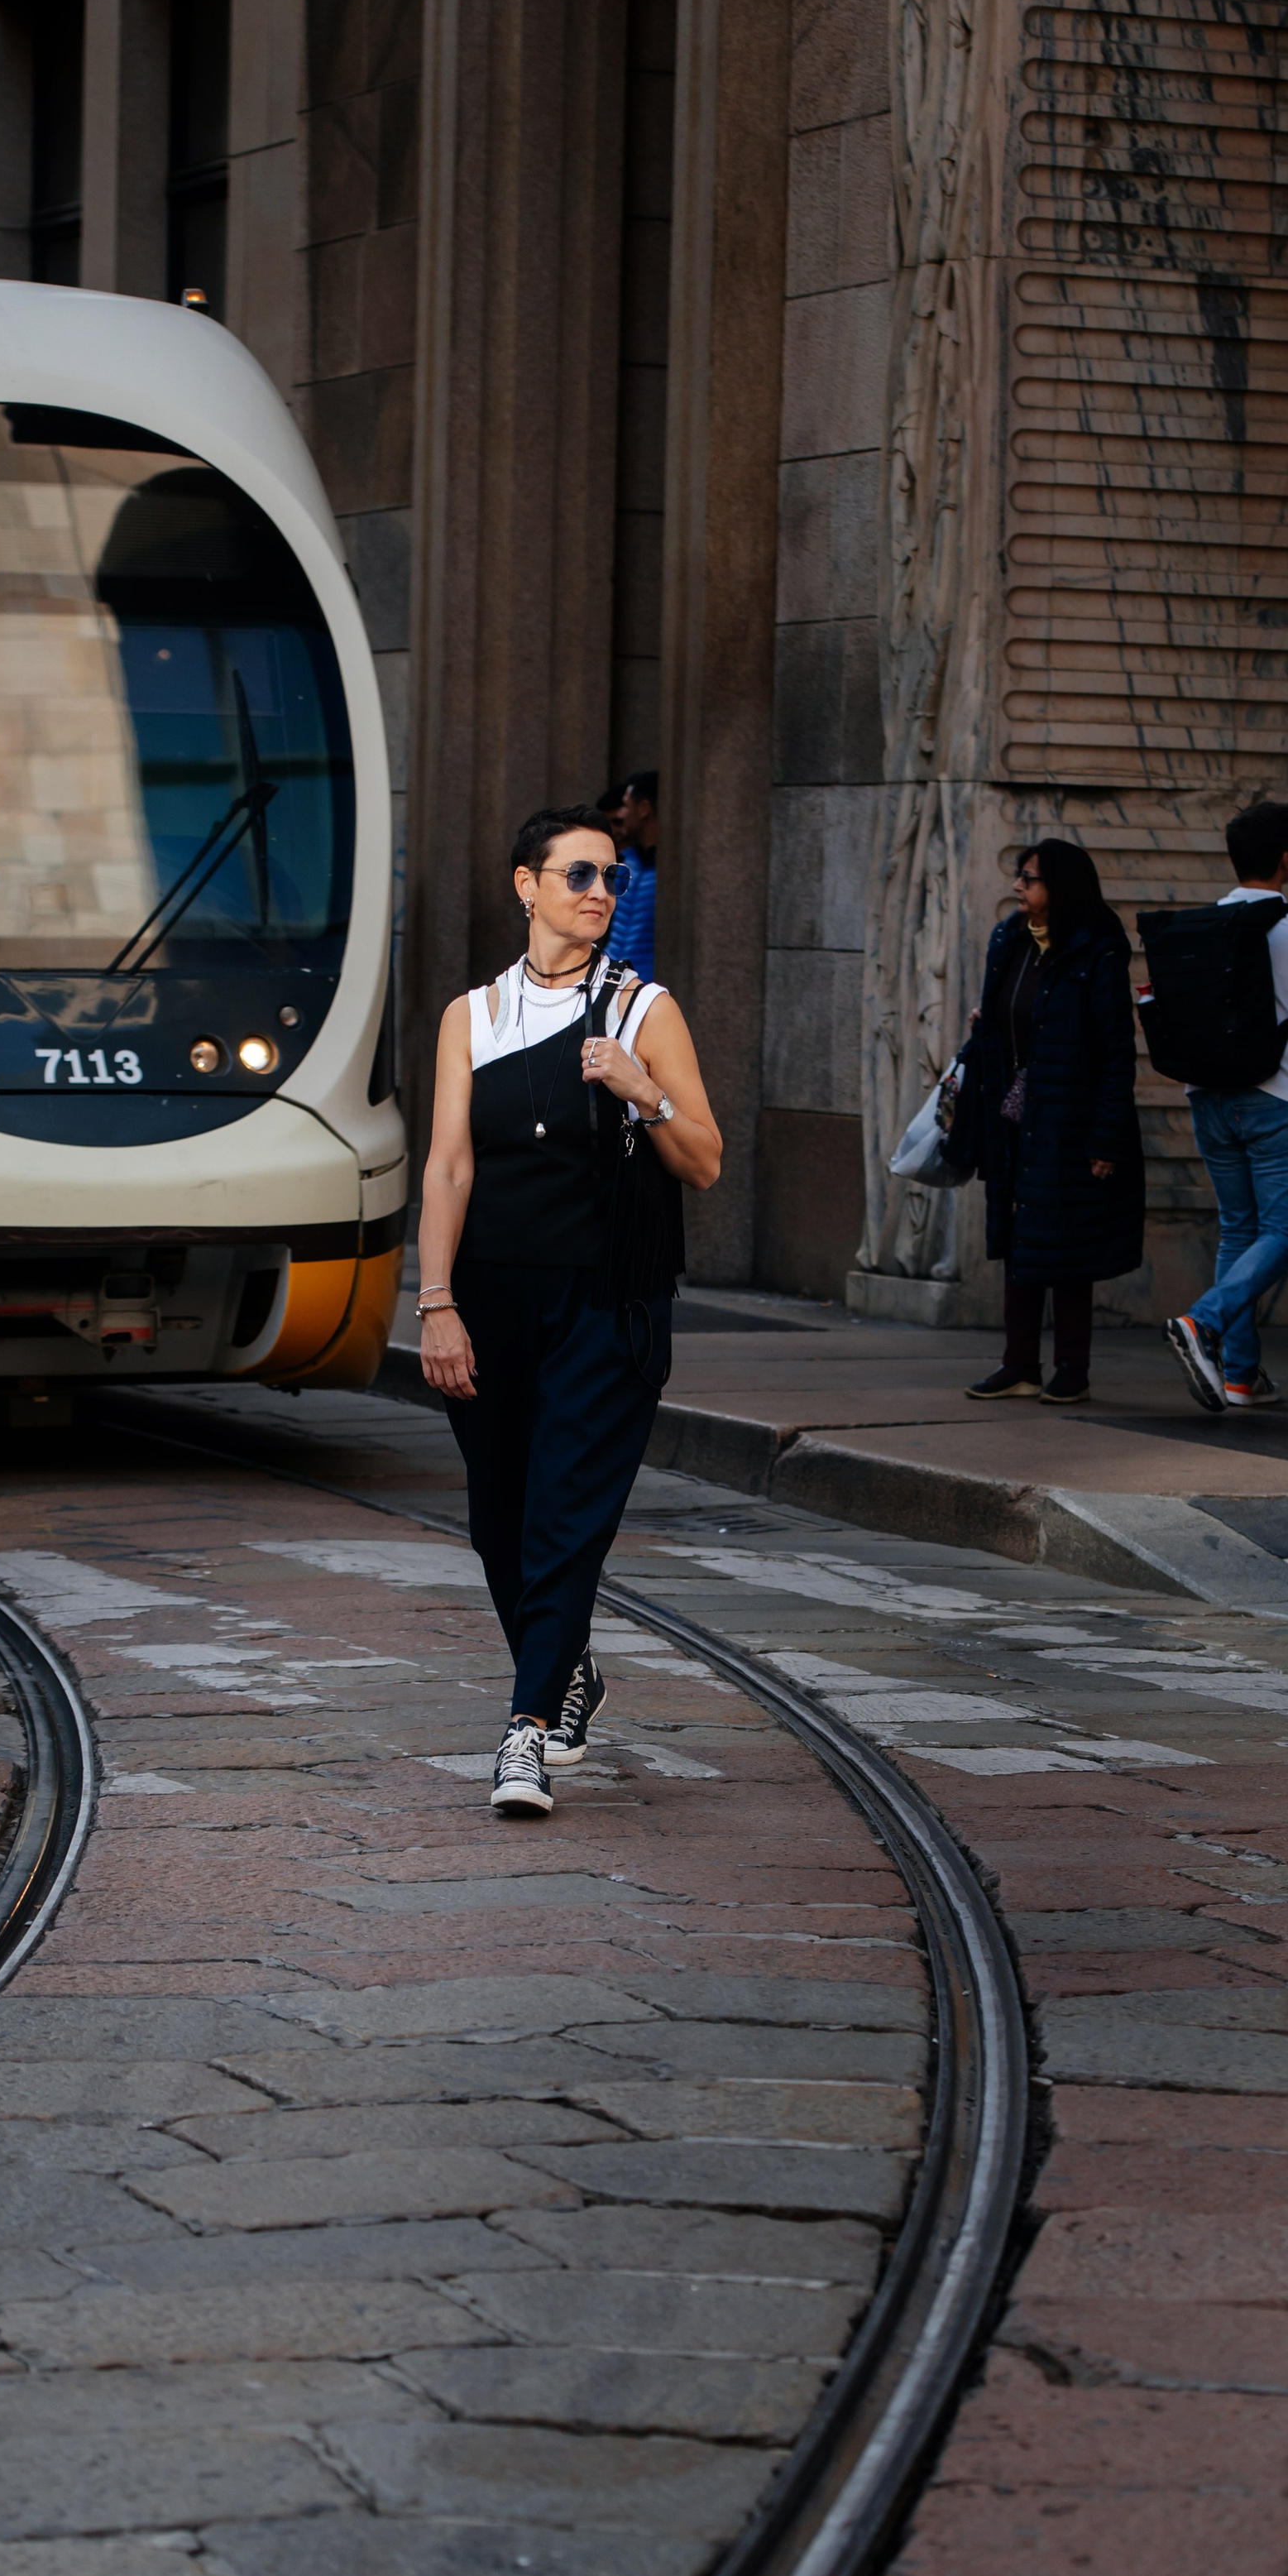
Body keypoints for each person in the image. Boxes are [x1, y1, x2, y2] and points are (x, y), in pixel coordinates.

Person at [416, 804, 722, 1816]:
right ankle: (571, 1674)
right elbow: (450, 1165)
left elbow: (706, 1162)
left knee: (562, 1521)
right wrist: (436, 1303)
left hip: (605, 1301)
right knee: (497, 1520)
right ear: (526, 884)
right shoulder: (475, 1013)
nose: (599, 894)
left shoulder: (645, 1009)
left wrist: (645, 1092)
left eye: (611, 880)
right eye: (580, 875)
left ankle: (526, 1729)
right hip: (492, 1301)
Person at [1162, 801, 1288, 1412]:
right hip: (1277, 1098)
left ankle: (1241, 1374)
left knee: (1239, 1229)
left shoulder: (1203, 924)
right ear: (1286, 860)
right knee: (1286, 1233)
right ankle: (1204, 1323)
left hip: (1208, 1098)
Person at [963, 840, 1144, 1403]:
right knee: (1020, 1239)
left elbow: (1116, 1053)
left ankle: (1072, 1368)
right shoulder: (1010, 941)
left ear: (1059, 889)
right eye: (1019, 875)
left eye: (1031, 878)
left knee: (1066, 1247)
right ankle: (1018, 1364)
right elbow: (1002, 1016)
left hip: (1071, 1118)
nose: (1018, 886)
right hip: (1016, 1113)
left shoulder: (1097, 953)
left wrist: (1106, 1137)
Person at [600, 770, 658, 976]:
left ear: (643, 809)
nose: (622, 814)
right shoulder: (626, 863)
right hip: (612, 982)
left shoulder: (666, 872)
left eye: (626, 805)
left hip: (650, 989)